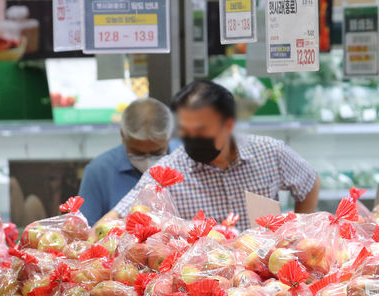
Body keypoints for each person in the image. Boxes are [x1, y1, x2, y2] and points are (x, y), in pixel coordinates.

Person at [108, 81, 320, 231]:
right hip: (204, 281)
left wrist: (298, 231)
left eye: (200, 130)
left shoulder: (269, 152)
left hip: (265, 276)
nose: (192, 138)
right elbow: (117, 217)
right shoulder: (168, 173)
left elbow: (310, 182)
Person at [79, 98, 177, 225]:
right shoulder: (99, 171)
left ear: (169, 137)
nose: (147, 160)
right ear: (122, 135)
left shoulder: (186, 164)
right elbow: (87, 231)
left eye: (156, 152)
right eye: (138, 153)